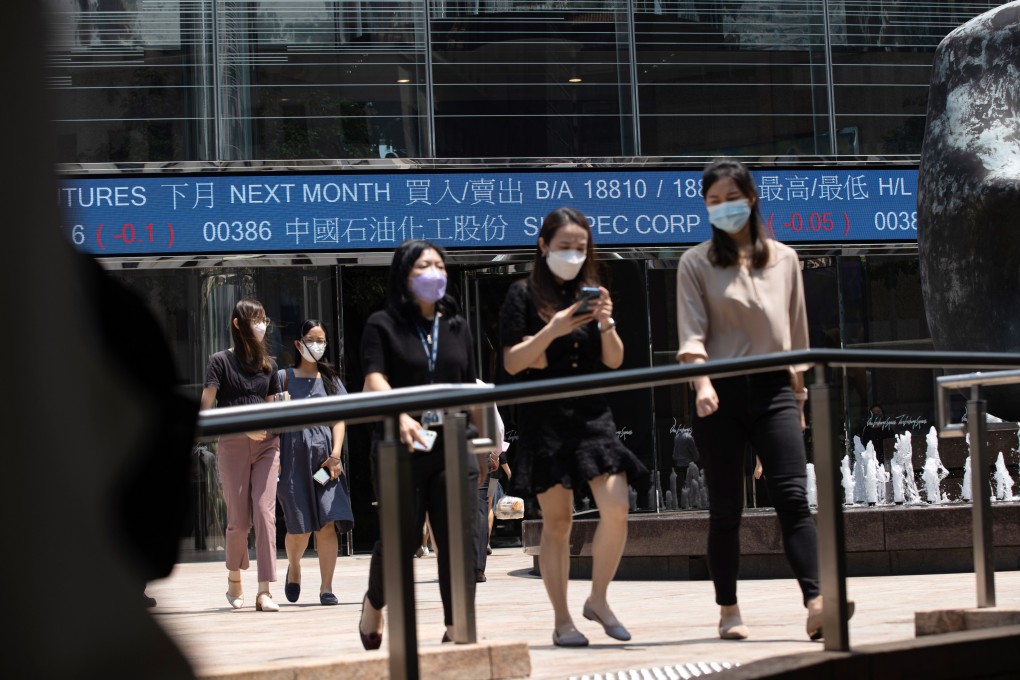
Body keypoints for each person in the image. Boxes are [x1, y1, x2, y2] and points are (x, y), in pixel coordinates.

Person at [676, 158, 851, 641]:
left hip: (775, 389)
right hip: (720, 392)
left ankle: (817, 602)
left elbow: (796, 338)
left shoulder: (785, 259)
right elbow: (692, 338)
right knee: (726, 508)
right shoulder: (695, 264)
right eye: (713, 202)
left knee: (793, 497)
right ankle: (728, 609)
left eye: (731, 198)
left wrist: (797, 401)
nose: (723, 208)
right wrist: (704, 386)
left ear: (751, 198)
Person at [500, 206, 647, 647]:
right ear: (543, 245)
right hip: (545, 416)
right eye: (564, 246)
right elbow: (511, 362)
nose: (573, 254)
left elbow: (615, 358)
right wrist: (555, 329)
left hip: (592, 414)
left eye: (580, 247)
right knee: (558, 521)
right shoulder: (521, 295)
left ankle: (598, 599)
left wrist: (606, 320)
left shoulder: (591, 292)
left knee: (617, 504)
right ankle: (563, 619)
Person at [358, 239, 481, 649]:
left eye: (440, 265)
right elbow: (373, 380)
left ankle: (458, 626)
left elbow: (470, 387)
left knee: (456, 538)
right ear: (404, 276)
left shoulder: (458, 325)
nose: (435, 272)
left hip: (452, 442)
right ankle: (375, 603)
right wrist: (400, 415)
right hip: (401, 446)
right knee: (401, 539)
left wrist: (486, 441)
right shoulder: (383, 324)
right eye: (424, 266)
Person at [200, 297, 283, 612]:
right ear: (239, 324)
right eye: (256, 319)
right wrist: (243, 426)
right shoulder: (219, 361)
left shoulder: (269, 365)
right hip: (233, 443)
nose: (262, 324)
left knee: (265, 514)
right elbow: (206, 410)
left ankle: (265, 591)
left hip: (267, 445)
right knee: (239, 520)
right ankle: (234, 577)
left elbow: (276, 406)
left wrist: (273, 424)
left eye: (264, 318)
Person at [278, 319, 355, 607]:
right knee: (299, 526)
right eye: (312, 339)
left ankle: (326, 587)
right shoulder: (283, 378)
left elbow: (340, 419)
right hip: (293, 458)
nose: (317, 345)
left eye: (322, 340)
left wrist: (336, 454)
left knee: (326, 523)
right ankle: (294, 566)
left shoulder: (331, 381)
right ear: (299, 344)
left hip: (325, 463)